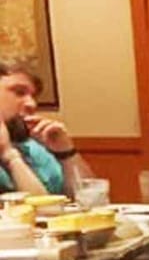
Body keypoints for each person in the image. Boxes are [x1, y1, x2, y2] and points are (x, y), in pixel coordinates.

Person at [0, 61, 95, 195]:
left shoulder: (32, 149)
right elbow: (36, 205)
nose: (32, 104)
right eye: (19, 92)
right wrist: (10, 157)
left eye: (34, 96)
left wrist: (66, 152)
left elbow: (89, 197)